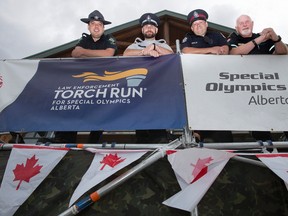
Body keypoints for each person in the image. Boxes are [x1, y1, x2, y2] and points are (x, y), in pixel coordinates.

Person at [54, 10, 117, 143]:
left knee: (100, 111)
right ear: (88, 26)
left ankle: (94, 143)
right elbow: (75, 53)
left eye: (99, 24)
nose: (96, 26)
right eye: (93, 23)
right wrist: (93, 53)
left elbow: (109, 53)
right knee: (73, 107)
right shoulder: (84, 39)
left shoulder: (109, 38)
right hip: (82, 83)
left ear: (103, 27)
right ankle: (66, 140)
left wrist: (85, 52)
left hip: (102, 82)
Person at [228, 14, 288, 141]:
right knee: (259, 126)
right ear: (236, 28)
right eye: (241, 23)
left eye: (247, 22)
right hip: (245, 91)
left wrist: (276, 38)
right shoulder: (233, 38)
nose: (245, 24)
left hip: (271, 89)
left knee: (284, 117)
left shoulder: (265, 39)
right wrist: (260, 39)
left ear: (252, 24)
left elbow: (283, 52)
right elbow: (234, 53)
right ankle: (270, 153)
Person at [181, 9, 233, 143]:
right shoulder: (188, 38)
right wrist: (210, 50)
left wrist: (213, 52)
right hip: (197, 85)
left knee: (221, 115)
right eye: (195, 25)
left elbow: (225, 50)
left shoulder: (216, 36)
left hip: (218, 84)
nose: (198, 26)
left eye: (200, 23)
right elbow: (186, 51)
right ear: (191, 28)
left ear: (206, 24)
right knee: (198, 114)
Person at [123, 13, 173, 143]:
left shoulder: (163, 45)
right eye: (146, 26)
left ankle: (160, 150)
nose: (149, 28)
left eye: (152, 26)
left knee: (159, 130)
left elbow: (171, 55)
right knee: (141, 128)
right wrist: (144, 52)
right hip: (139, 87)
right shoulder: (134, 45)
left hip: (158, 88)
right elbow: (126, 54)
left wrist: (155, 47)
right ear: (142, 30)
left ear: (156, 30)